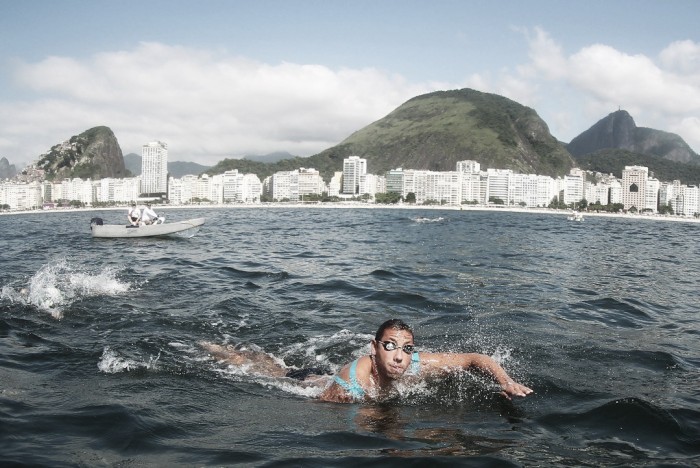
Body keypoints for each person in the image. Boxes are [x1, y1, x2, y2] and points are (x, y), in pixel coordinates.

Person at [201, 319, 533, 403]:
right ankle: (221, 350)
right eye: (390, 346)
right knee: (276, 371)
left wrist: (504, 381)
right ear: (374, 348)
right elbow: (323, 407)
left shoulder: (415, 364)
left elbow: (474, 359)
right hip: (312, 383)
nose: (399, 355)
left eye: (406, 348)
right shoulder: (355, 379)